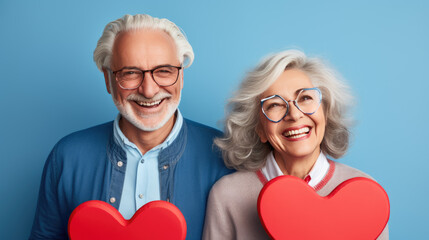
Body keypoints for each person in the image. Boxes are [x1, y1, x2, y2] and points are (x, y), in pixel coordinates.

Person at [30, 14, 233, 240]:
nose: (148, 90)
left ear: (181, 77)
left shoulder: (226, 156)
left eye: (164, 71)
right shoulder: (66, 157)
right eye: (130, 73)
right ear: (108, 80)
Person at [202, 49, 388, 239]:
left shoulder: (365, 193)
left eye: (305, 98)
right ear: (259, 128)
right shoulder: (227, 195)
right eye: (274, 104)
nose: (294, 114)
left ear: (326, 113)